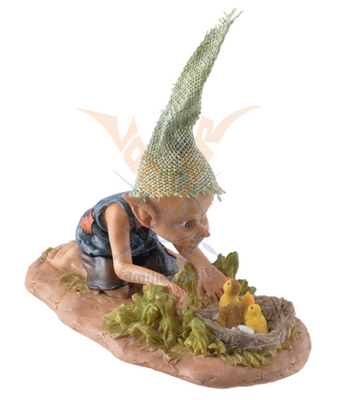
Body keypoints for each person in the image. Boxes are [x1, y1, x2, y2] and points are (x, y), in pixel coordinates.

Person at [75, 10, 241, 314]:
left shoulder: (162, 215)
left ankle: (152, 263)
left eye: (202, 216)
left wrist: (206, 269)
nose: (204, 231)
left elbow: (182, 241)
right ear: (145, 214)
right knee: (119, 291)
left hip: (143, 241)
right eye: (189, 222)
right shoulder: (117, 214)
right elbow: (123, 266)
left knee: (169, 269)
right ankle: (83, 261)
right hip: (105, 246)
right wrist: (161, 283)